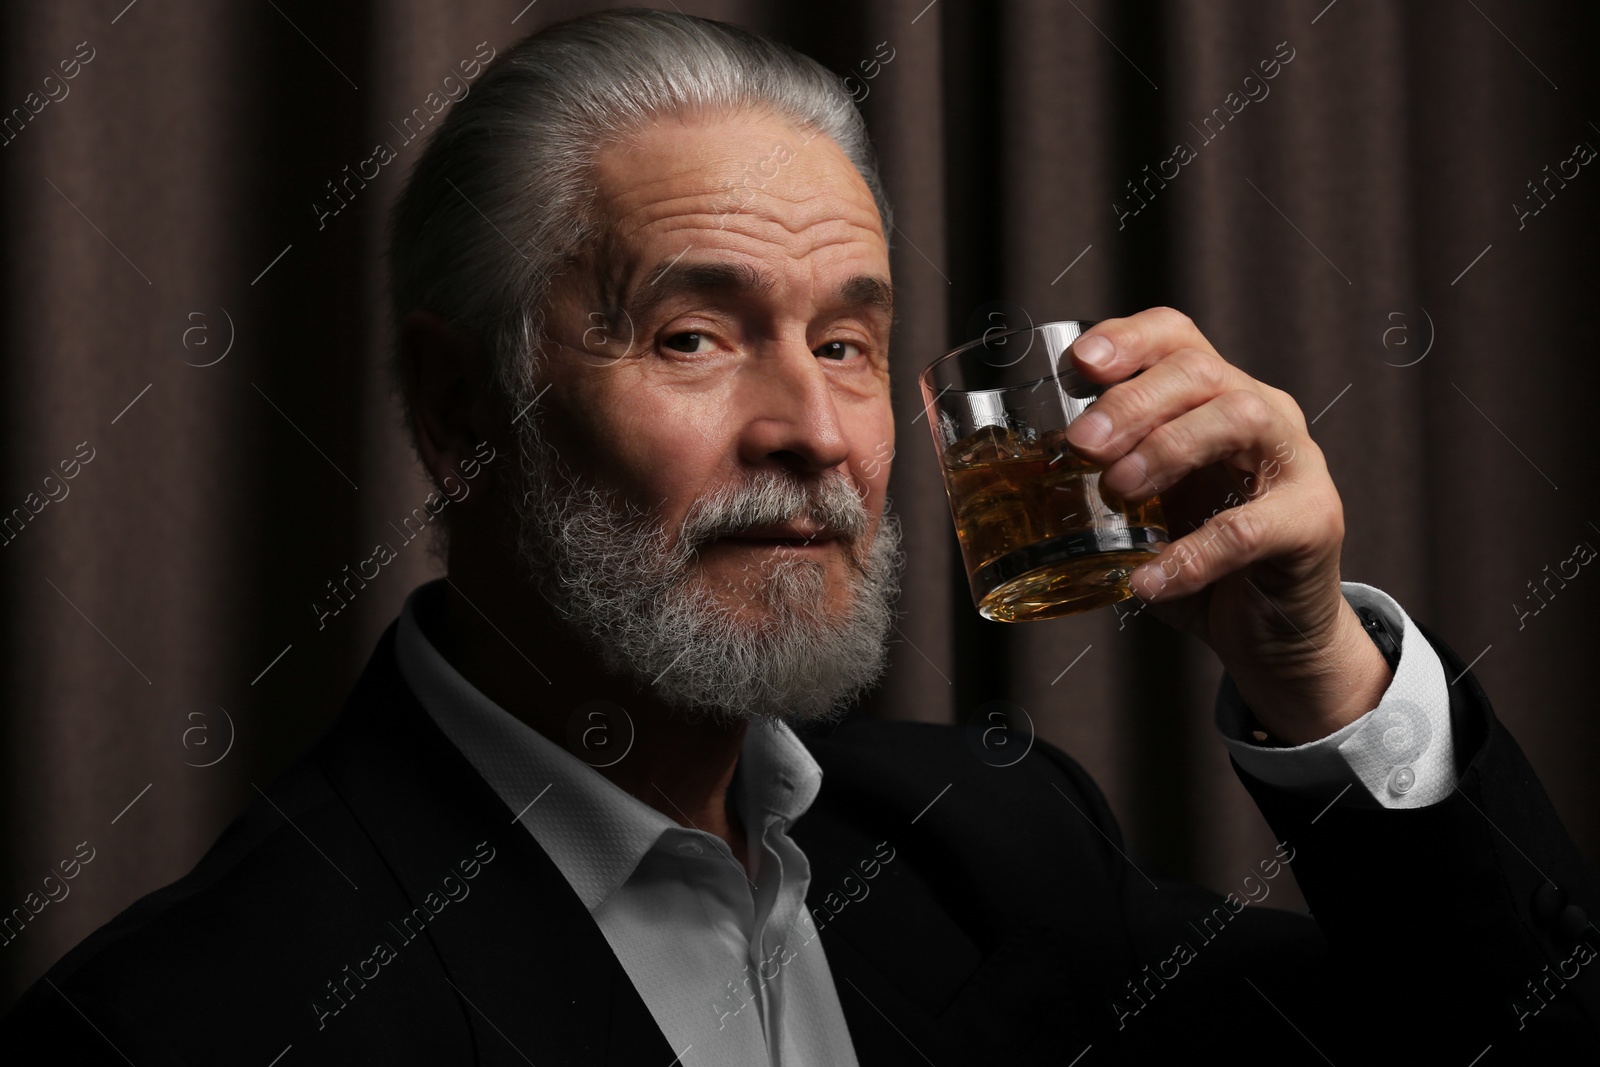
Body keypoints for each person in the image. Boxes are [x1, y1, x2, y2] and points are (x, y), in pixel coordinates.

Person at [2, 8, 1595, 1064]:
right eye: (694, 336)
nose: (814, 433)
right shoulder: (185, 1024)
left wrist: (1315, 668)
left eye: (846, 344)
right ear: (456, 408)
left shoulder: (999, 846)